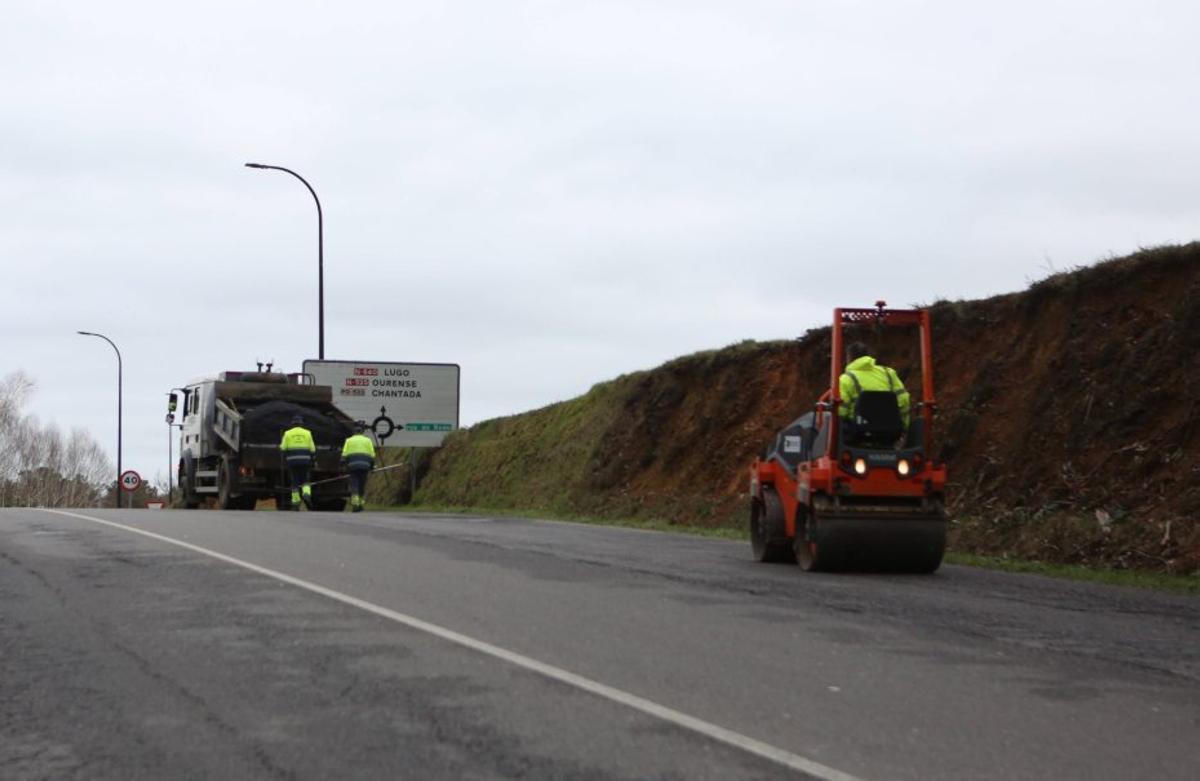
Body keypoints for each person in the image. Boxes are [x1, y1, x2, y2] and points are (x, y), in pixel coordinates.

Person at [839, 341, 911, 438]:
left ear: (849, 358)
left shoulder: (846, 379)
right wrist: (904, 426)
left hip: (857, 434)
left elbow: (841, 411)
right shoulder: (888, 373)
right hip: (890, 434)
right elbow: (904, 400)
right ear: (867, 355)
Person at [280, 414, 316, 510]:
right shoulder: (308, 433)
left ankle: (296, 503)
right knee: (305, 480)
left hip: (292, 461)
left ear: (293, 424)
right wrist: (313, 459)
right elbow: (312, 449)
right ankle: (306, 494)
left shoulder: (287, 433)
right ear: (301, 424)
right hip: (305, 461)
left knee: (294, 482)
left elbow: (283, 448)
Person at [341, 422, 377, 513]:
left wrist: (344, 465)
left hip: (353, 466)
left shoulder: (349, 440)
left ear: (354, 432)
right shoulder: (368, 440)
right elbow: (372, 456)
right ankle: (360, 504)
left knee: (354, 484)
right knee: (362, 484)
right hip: (365, 466)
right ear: (362, 432)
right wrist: (372, 467)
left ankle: (355, 503)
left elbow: (344, 456)